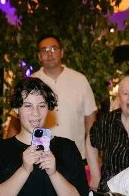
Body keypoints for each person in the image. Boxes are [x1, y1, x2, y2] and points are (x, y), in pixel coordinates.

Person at [31, 34, 100, 184]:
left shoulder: (79, 79)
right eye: (44, 50)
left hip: (76, 156)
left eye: (54, 48)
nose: (49, 53)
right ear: (39, 56)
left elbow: (90, 117)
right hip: (41, 157)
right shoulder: (31, 81)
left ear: (61, 52)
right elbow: (18, 119)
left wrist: (91, 153)